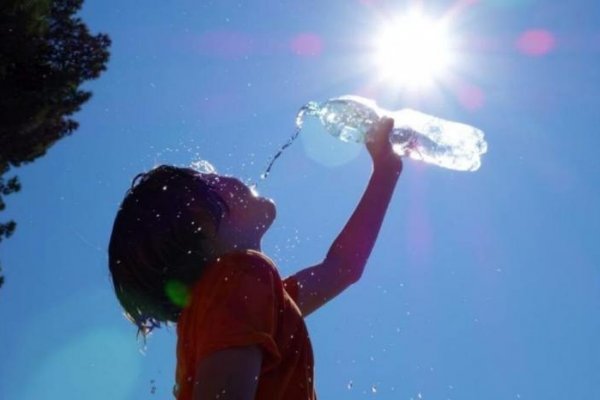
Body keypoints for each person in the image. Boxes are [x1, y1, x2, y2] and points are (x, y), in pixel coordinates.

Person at [108, 117, 402, 400]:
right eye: (211, 180)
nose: (228, 177)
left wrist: (386, 170)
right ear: (200, 222)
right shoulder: (237, 279)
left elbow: (342, 268)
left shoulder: (243, 301)